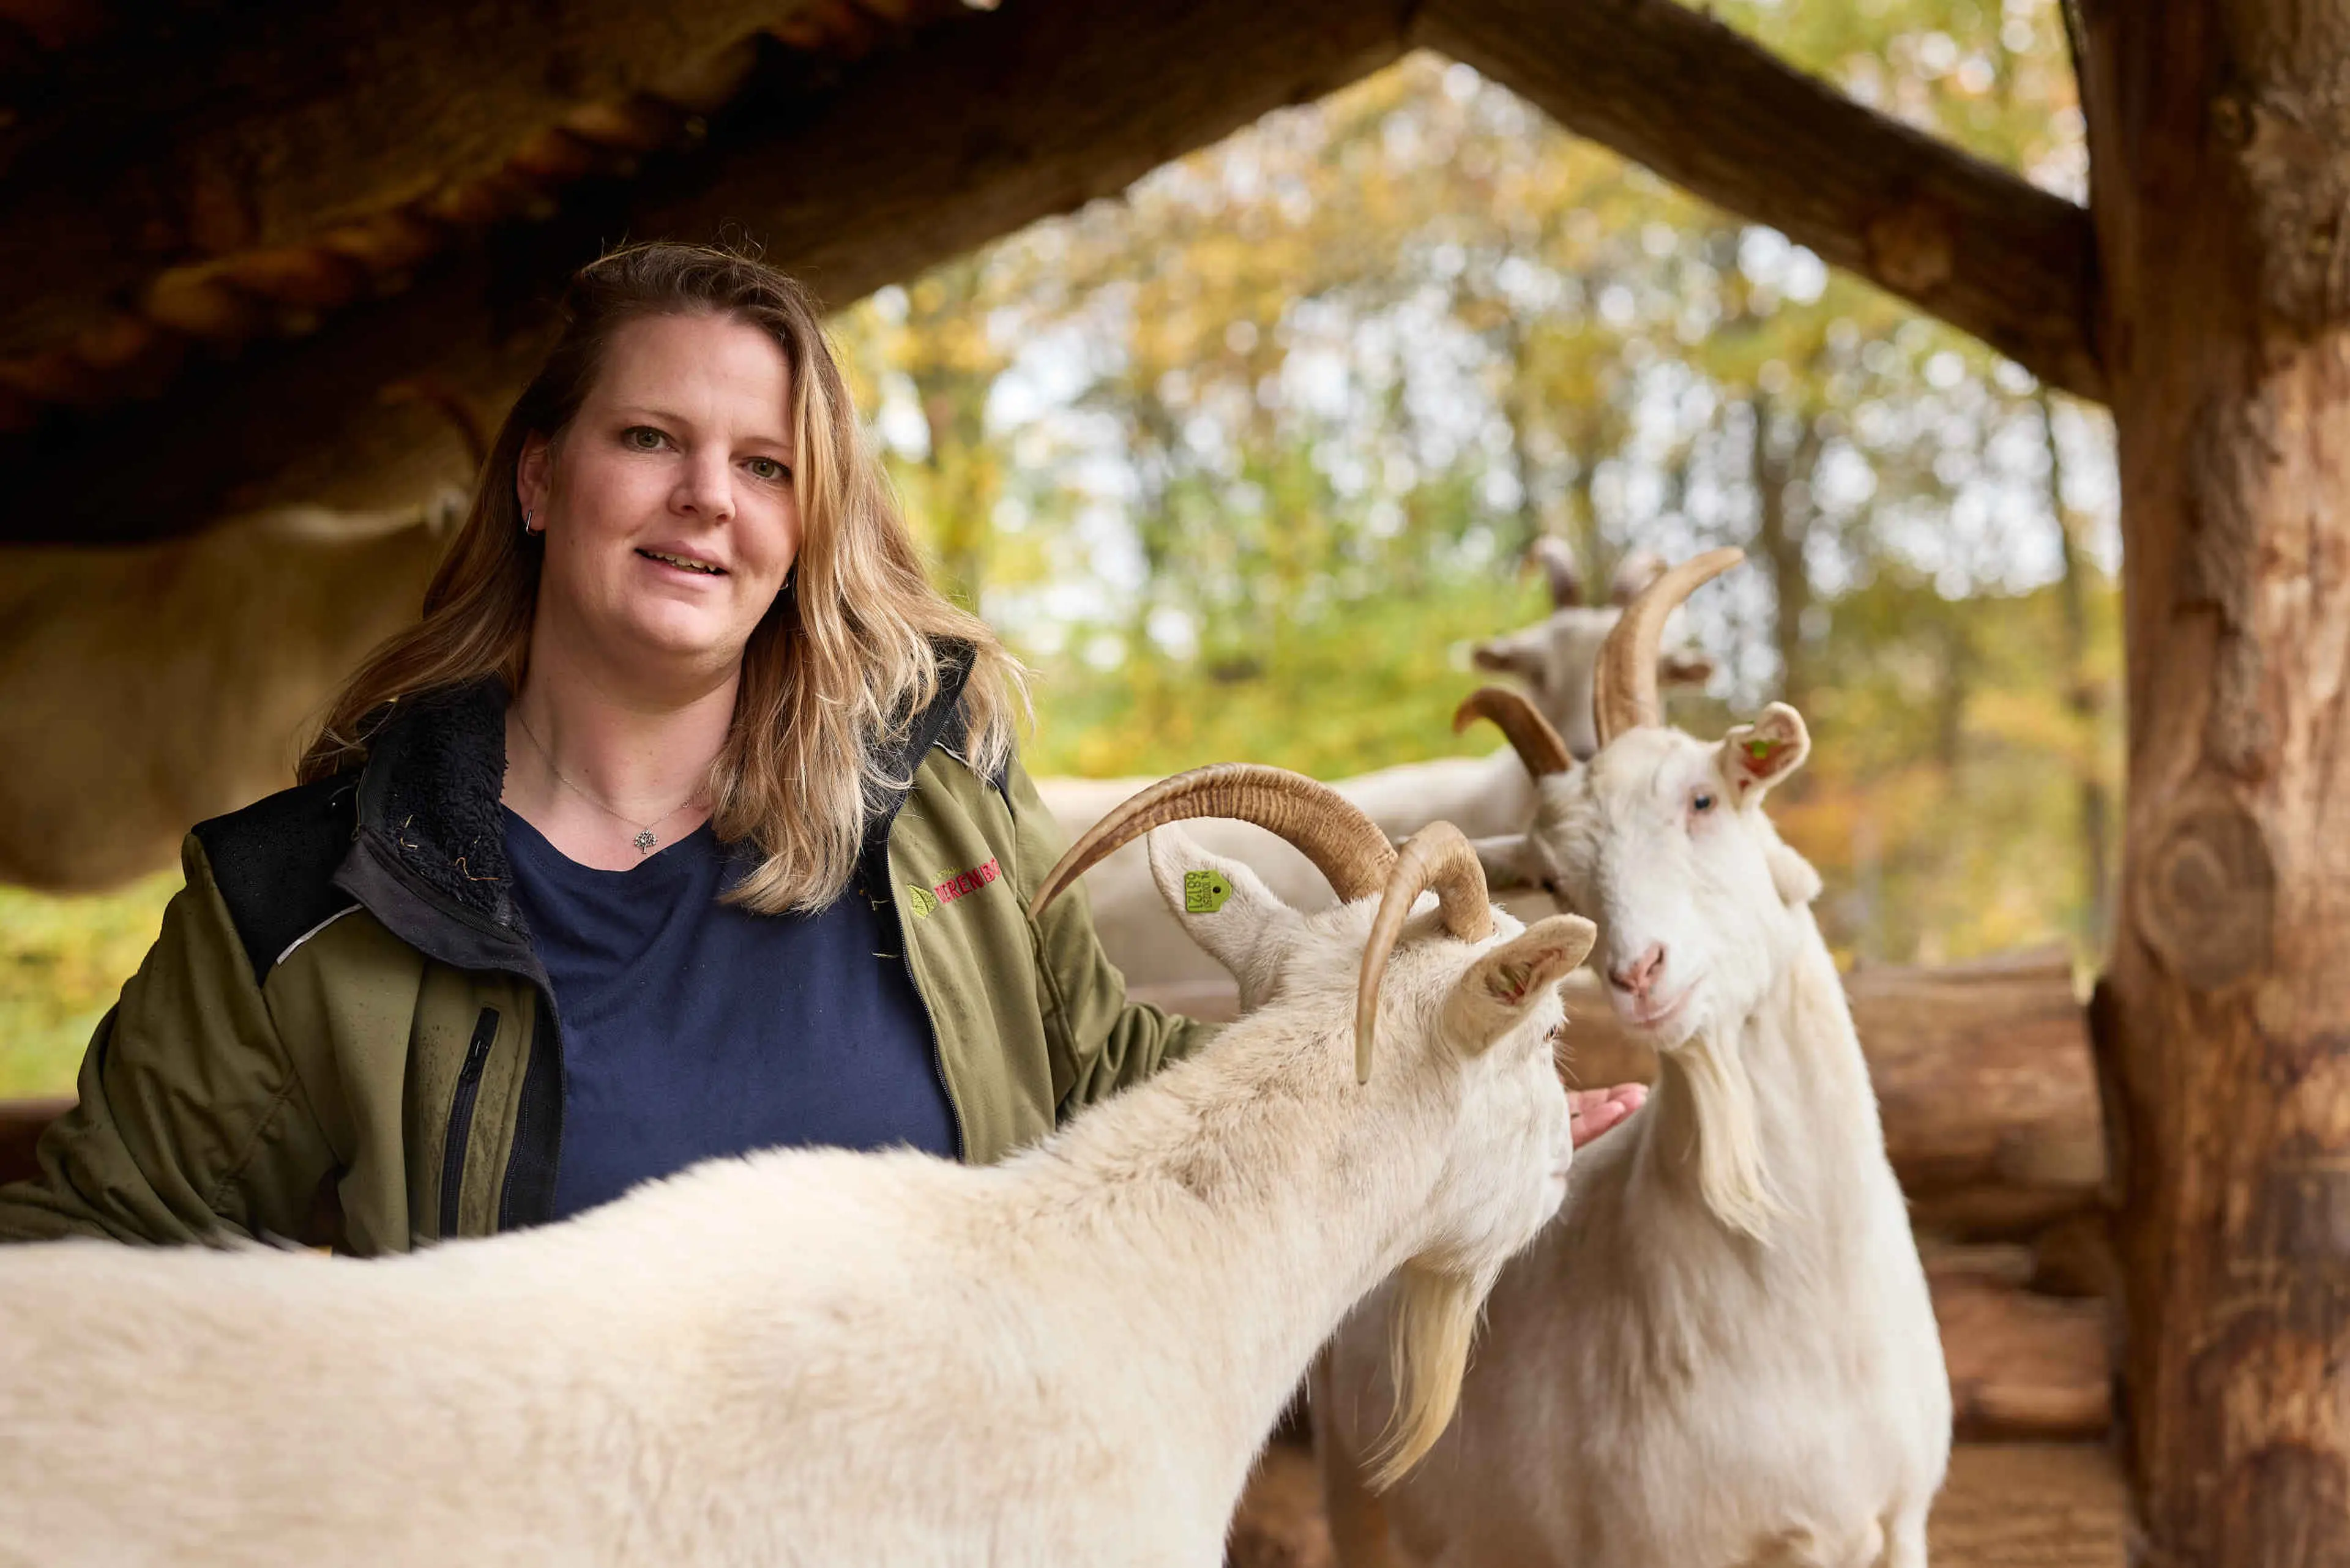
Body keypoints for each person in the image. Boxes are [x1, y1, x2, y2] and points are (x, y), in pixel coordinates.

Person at [0, 242, 1641, 1253]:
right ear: (539, 478)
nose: (707, 498)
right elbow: (95, 1258)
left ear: (808, 524)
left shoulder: (942, 814)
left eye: (766, 465)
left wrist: (1408, 1097)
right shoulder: (306, 899)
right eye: (651, 438)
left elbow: (1116, 1085)